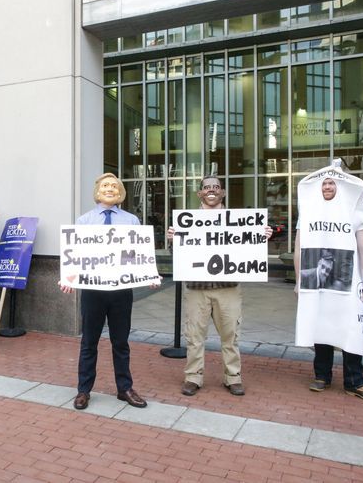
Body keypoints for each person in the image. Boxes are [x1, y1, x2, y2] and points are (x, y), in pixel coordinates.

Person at [167, 176, 273, 397]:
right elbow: (177, 256)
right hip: (197, 288)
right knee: (194, 335)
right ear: (200, 194)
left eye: (216, 187)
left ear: (223, 193)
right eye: (207, 188)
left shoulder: (239, 220)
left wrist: (262, 237)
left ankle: (233, 377)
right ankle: (193, 377)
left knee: (231, 335)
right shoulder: (188, 220)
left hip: (228, 287)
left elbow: (249, 250)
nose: (211, 190)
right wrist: (173, 240)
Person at [60, 172, 149, 410]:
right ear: (97, 190)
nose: (110, 189)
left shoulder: (131, 220)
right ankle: (83, 390)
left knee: (121, 342)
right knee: (89, 341)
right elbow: (75, 253)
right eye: (105, 185)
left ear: (120, 191)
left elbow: (137, 252)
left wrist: (148, 272)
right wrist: (68, 276)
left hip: (121, 290)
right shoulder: (84, 221)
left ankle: (124, 388)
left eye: (114, 185)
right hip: (93, 290)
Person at [294, 176, 363, 402]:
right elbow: (299, 248)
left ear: (339, 187)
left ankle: (355, 381)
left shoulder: (355, 212)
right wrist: (298, 280)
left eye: (332, 183)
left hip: (351, 283)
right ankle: (322, 376)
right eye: (323, 183)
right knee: (321, 325)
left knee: (352, 328)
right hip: (319, 285)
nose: (327, 186)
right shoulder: (309, 212)